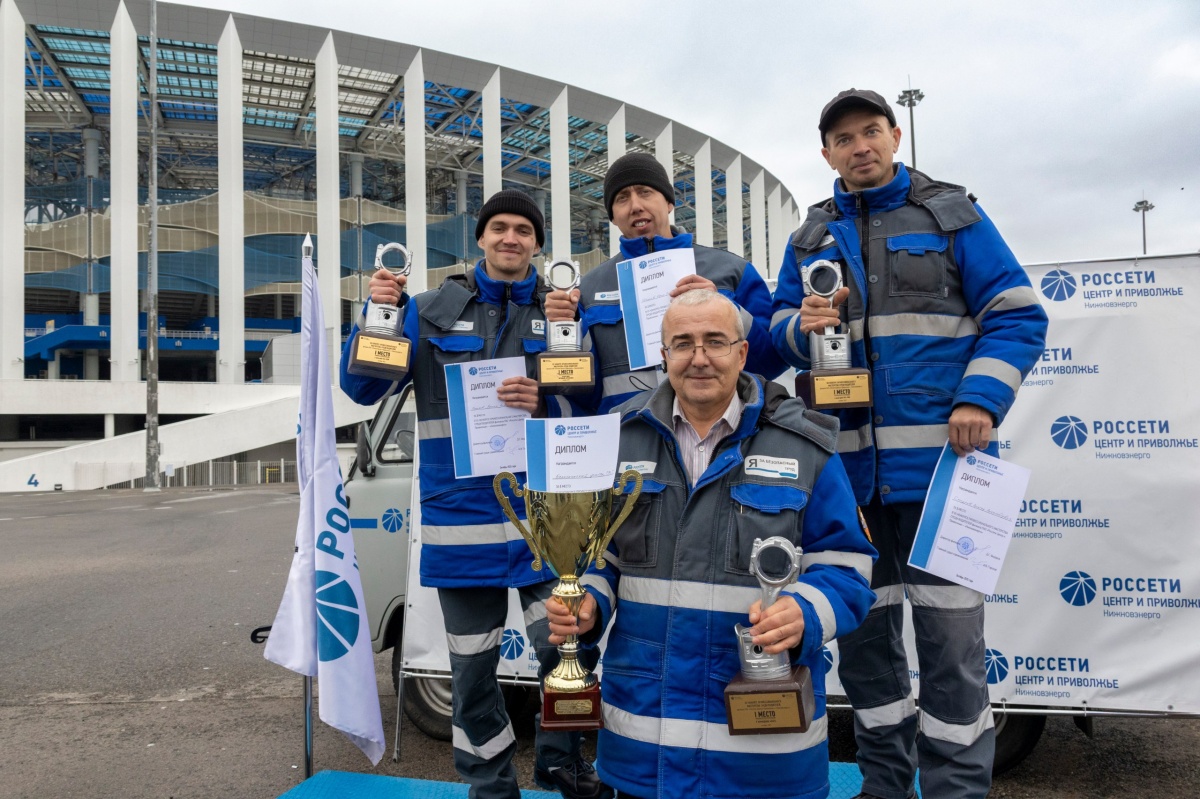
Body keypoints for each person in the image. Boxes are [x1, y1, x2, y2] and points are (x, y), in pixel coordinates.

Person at [769, 89, 1049, 799]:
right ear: (825, 153)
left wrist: (979, 399)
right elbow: (771, 332)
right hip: (849, 482)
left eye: (871, 131)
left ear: (895, 135)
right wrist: (799, 328)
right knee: (864, 647)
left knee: (952, 651)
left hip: (943, 477)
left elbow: (1017, 316)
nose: (859, 145)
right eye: (843, 137)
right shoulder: (808, 239)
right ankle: (884, 785)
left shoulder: (952, 215)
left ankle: (956, 790)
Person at [547, 290, 876, 799]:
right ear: (664, 356)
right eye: (682, 343)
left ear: (742, 354)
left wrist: (806, 611)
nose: (698, 357)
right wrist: (588, 599)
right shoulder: (620, 439)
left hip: (761, 762)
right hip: (643, 751)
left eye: (714, 342)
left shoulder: (805, 446)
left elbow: (847, 565)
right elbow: (603, 556)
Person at [339, 189, 610, 799]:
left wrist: (548, 398)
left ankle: (563, 770)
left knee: (566, 656)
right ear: (481, 239)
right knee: (473, 675)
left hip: (549, 529)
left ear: (536, 244)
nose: (510, 238)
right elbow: (360, 389)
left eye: (522, 230)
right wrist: (374, 317)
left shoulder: (564, 310)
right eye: (499, 229)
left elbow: (595, 400)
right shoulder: (430, 310)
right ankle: (488, 784)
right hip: (461, 530)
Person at [542, 151, 785, 416]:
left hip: (723, 436)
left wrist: (726, 309)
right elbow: (582, 393)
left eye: (645, 192)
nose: (635, 205)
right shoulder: (588, 289)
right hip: (631, 438)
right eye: (622, 198)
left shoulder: (734, 271)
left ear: (669, 202)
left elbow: (771, 363)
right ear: (612, 216)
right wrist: (569, 328)